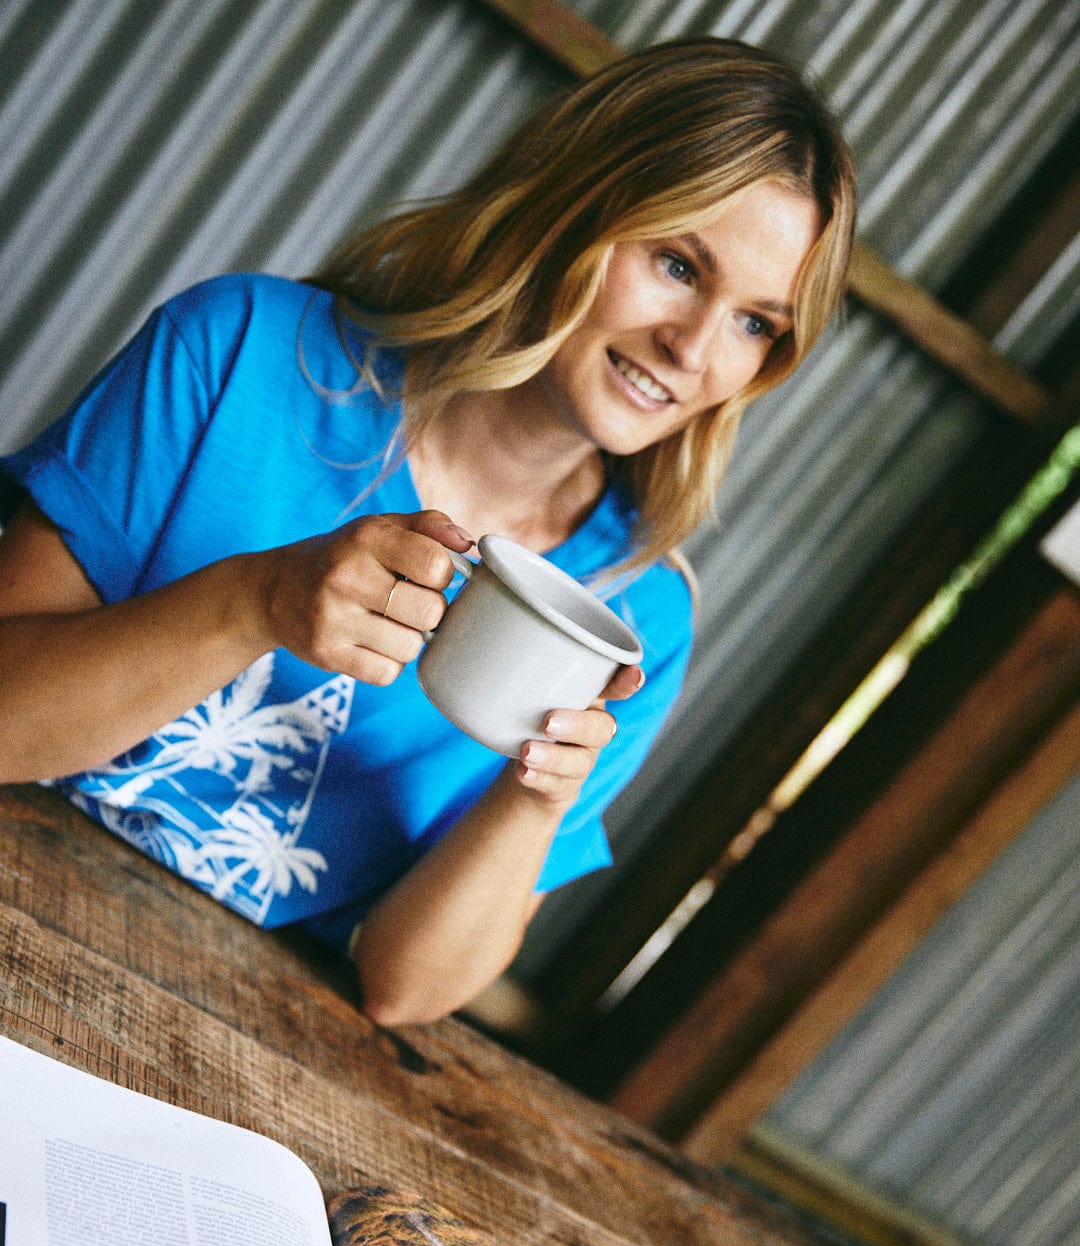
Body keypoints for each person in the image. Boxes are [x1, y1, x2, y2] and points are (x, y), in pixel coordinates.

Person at [0, 38, 856, 1026]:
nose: (697, 347)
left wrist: (535, 804)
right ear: (572, 205)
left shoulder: (637, 613)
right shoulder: (238, 350)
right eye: (676, 263)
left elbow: (405, 989)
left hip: (209, 1027)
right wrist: (257, 601)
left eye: (757, 324)